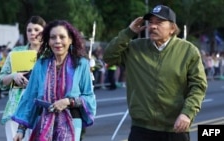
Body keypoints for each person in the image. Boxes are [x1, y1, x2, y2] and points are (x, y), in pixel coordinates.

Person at [103, 5, 207, 141]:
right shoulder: (135, 48)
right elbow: (109, 57)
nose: (152, 26)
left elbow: (199, 86)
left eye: (159, 23)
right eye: (150, 22)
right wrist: (128, 32)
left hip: (175, 129)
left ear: (172, 28)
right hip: (141, 129)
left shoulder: (188, 51)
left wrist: (187, 113)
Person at [12, 20, 96, 141]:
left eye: (62, 37)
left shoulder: (81, 64)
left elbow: (89, 97)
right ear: (48, 41)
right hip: (43, 122)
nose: (57, 41)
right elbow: (30, 97)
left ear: (70, 40)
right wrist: (21, 130)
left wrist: (68, 101)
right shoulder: (40, 65)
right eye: (53, 37)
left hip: (71, 121)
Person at [0, 16, 46, 141]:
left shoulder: (49, 55)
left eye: (36, 29)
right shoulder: (16, 52)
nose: (32, 33)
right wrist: (14, 76)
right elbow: (1, 81)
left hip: (41, 110)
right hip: (15, 109)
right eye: (29, 30)